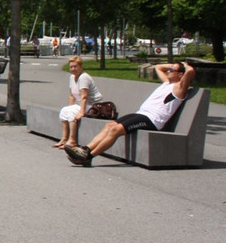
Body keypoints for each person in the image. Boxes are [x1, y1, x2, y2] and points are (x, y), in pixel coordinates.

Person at [66, 61, 195, 166]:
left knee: (115, 130)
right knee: (109, 126)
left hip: (153, 120)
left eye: (172, 70)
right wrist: (173, 66)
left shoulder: (179, 88)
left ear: (180, 75)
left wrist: (185, 64)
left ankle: (88, 156)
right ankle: (85, 149)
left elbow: (190, 72)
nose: (168, 71)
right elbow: (158, 66)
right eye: (169, 69)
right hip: (142, 114)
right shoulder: (166, 83)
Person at [53, 55, 103, 149]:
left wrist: (81, 113)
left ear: (81, 67)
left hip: (93, 105)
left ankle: (72, 141)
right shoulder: (72, 77)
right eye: (71, 67)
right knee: (64, 110)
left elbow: (84, 97)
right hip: (82, 104)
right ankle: (64, 138)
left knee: (72, 112)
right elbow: (72, 95)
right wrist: (69, 108)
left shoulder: (83, 77)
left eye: (75, 66)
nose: (73, 69)